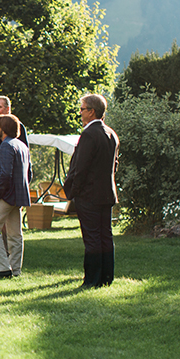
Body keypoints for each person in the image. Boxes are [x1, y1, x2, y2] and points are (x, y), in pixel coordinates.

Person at [63, 94, 120, 288]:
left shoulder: (89, 134)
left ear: (91, 112)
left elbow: (81, 168)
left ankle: (92, 279)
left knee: (92, 237)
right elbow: (115, 165)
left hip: (89, 194)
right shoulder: (111, 134)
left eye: (82, 109)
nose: (80, 112)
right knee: (106, 235)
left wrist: (74, 190)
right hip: (107, 192)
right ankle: (106, 277)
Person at [0, 114, 31, 280]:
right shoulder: (22, 145)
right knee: (15, 233)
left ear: (3, 128)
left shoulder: (6, 146)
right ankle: (15, 268)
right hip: (18, 195)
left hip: (6, 195)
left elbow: (5, 174)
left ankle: (2, 268)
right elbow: (29, 173)